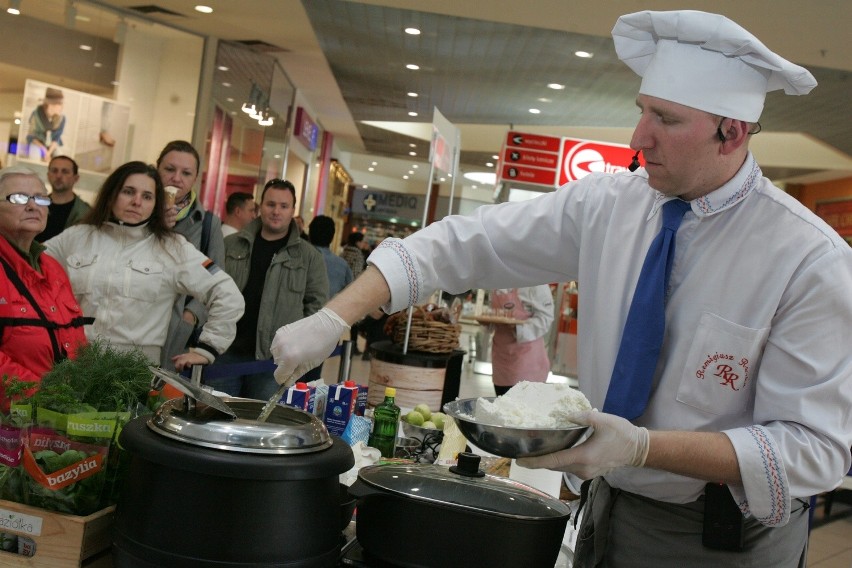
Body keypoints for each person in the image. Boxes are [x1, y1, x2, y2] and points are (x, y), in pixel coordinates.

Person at [267, 10, 852, 567]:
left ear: (734, 131)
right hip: (602, 509)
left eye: (666, 119)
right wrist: (335, 318)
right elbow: (464, 244)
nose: (638, 137)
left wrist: (642, 447)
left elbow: (813, 450)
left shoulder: (809, 260)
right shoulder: (610, 205)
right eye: (641, 110)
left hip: (719, 540)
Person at [45, 161, 244, 371]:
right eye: (128, 192)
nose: (136, 202)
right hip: (75, 365)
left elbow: (227, 294)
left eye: (147, 196)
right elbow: (26, 269)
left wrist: (207, 348)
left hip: (134, 374)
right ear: (111, 194)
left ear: (156, 203)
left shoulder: (173, 248)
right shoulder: (77, 237)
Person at [211, 179, 328, 400]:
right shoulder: (231, 245)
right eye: (270, 204)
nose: (276, 211)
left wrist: (295, 347)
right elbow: (211, 290)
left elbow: (316, 308)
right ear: (260, 207)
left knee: (261, 426)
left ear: (293, 210)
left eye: (284, 206)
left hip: (274, 361)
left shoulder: (309, 256)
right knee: (216, 420)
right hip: (225, 352)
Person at [0, 166, 87, 412]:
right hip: (12, 419)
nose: (32, 205)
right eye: (18, 197)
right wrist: (42, 396)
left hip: (53, 420)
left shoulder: (53, 269)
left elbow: (75, 337)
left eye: (40, 198)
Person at [156, 140, 226, 370]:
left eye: (186, 173)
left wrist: (192, 315)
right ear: (156, 169)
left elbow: (216, 274)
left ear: (195, 178)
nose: (177, 178)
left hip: (177, 331)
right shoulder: (138, 211)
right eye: (169, 169)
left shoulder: (207, 224)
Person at [488, 285, 554, 396]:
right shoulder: (498, 281)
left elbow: (546, 318)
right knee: (501, 404)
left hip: (527, 360)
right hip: (501, 359)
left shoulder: (537, 284)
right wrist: (488, 323)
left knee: (522, 408)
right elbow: (493, 315)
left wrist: (517, 328)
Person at [35, 156, 91, 242]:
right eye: (54, 171)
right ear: (48, 175)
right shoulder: (36, 206)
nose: (58, 176)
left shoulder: (85, 213)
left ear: (76, 178)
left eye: (65, 172)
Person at [26, 87, 66, 162]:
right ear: (51, 105)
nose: (62, 107)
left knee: (60, 157)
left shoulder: (62, 119)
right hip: (37, 143)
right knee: (35, 155)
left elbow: (56, 139)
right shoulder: (36, 115)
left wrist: (49, 152)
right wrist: (44, 150)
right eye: (59, 104)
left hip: (52, 146)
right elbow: (31, 136)